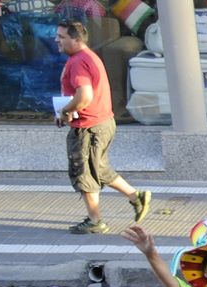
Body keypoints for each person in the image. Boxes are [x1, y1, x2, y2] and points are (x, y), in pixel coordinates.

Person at [55, 20, 148, 234]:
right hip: (102, 123)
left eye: (61, 37)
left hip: (89, 127)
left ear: (76, 40)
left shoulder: (78, 61)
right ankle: (137, 197)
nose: (56, 40)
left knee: (84, 172)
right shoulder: (90, 56)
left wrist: (65, 111)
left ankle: (95, 220)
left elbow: (84, 95)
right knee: (100, 168)